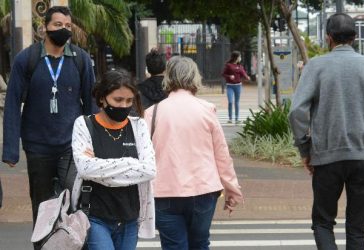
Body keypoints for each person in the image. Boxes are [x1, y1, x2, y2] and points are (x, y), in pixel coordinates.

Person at [289, 13, 364, 250]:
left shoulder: (316, 66)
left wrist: (305, 148)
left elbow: (296, 112)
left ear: (328, 38)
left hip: (326, 158)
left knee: (323, 222)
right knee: (357, 228)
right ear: (355, 37)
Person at [2, 6, 96, 226]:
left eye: (67, 26)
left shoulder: (80, 59)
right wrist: (10, 150)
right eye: (57, 25)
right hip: (38, 147)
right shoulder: (27, 59)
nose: (63, 29)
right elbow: (13, 103)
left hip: (71, 145)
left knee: (73, 204)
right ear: (44, 28)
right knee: (43, 206)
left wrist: (94, 142)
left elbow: (91, 103)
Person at [145, 56, 244, 250]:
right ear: (195, 77)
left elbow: (144, 156)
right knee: (200, 243)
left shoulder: (152, 113)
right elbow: (222, 155)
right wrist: (232, 189)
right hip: (204, 190)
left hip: (164, 192)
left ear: (168, 77)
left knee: (173, 245)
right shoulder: (207, 110)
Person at [71, 69, 156, 249]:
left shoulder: (138, 126)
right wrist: (132, 164)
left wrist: (101, 169)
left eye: (129, 100)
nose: (124, 105)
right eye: (118, 100)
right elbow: (86, 168)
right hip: (95, 216)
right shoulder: (84, 124)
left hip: (130, 218)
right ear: (102, 98)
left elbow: (149, 170)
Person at [222, 51, 250, 124]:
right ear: (236, 57)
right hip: (230, 86)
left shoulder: (240, 66)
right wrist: (229, 76)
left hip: (238, 86)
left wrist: (247, 77)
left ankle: (237, 118)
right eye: (240, 56)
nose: (240, 58)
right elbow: (223, 74)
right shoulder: (228, 65)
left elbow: (244, 74)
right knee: (230, 102)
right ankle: (230, 118)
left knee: (237, 102)